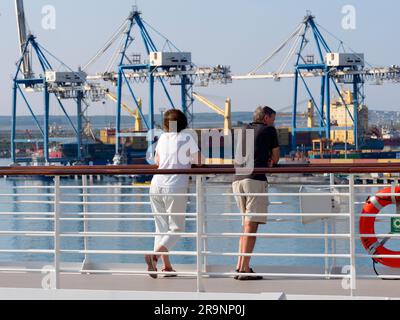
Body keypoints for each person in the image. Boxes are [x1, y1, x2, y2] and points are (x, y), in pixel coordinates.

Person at [145, 109, 202, 279]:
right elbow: (199, 161)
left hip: (156, 184)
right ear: (184, 123)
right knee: (177, 228)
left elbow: (158, 161)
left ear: (166, 124)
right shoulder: (187, 137)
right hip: (174, 186)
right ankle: (154, 257)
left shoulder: (162, 138)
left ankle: (166, 267)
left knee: (161, 228)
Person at [232, 106, 280, 281]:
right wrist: (270, 158)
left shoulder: (244, 129)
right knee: (251, 227)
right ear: (266, 118)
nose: (273, 122)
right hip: (255, 179)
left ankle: (240, 266)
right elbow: (276, 158)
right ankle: (244, 269)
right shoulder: (269, 130)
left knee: (245, 226)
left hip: (237, 180)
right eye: (273, 119)